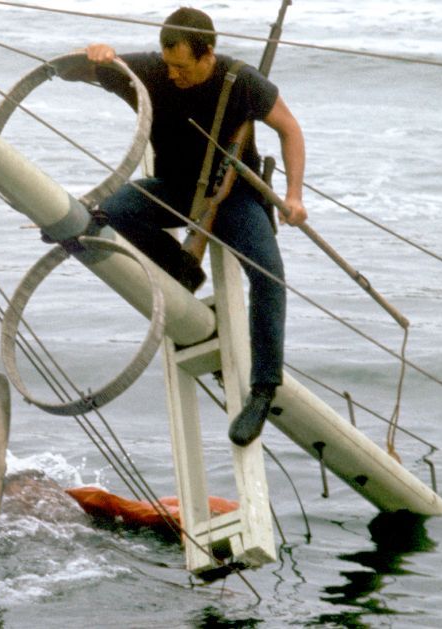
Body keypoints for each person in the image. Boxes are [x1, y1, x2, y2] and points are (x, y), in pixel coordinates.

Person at [63, 7, 307, 446]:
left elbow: (291, 130)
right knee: (110, 210)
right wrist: (93, 55)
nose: (172, 74)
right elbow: (72, 69)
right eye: (167, 63)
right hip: (173, 188)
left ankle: (264, 389)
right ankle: (182, 267)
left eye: (182, 66)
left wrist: (293, 196)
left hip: (234, 199)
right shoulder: (153, 71)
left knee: (270, 276)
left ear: (207, 53)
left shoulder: (242, 81)